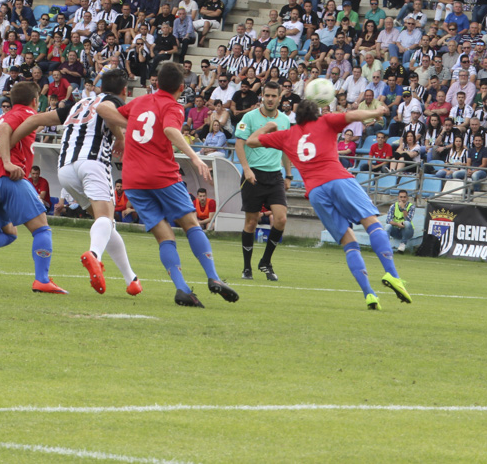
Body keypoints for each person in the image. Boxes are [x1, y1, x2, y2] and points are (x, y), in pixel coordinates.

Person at [248, 99, 411, 309]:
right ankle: (393, 274)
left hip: (315, 192)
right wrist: (378, 111)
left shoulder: (287, 135)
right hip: (338, 179)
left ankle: (369, 294)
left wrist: (268, 127)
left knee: (348, 242)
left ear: (297, 118)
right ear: (316, 114)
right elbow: (353, 115)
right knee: (372, 223)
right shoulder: (325, 121)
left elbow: (251, 141)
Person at [115, 61, 238, 307]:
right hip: (161, 174)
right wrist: (195, 157)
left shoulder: (138, 102)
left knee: (163, 235)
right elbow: (171, 129)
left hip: (132, 179)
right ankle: (213, 278)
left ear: (156, 83)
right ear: (182, 87)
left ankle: (182, 288)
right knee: (191, 224)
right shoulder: (172, 106)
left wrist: (120, 137)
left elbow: (111, 112)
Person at [11, 69, 141, 296]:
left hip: (66, 169)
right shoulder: (112, 101)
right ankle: (94, 255)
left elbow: (34, 119)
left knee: (106, 225)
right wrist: (122, 136)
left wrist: (7, 147)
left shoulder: (79, 104)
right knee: (105, 218)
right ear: (124, 91)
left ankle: (131, 279)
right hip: (92, 163)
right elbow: (108, 111)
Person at [0, 81, 68, 294]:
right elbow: (6, 128)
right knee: (42, 229)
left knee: (9, 232)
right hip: (8, 178)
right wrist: (7, 162)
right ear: (35, 101)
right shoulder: (25, 113)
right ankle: (42, 280)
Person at [234, 81, 291, 281]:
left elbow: (286, 149)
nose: (269, 99)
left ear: (279, 98)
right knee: (251, 221)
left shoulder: (285, 121)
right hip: (253, 174)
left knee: (281, 218)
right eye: (266, 95)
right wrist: (247, 169)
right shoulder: (248, 118)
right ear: (262, 96)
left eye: (273, 96)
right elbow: (239, 145)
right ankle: (247, 267)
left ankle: (265, 261)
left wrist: (289, 174)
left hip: (275, 175)